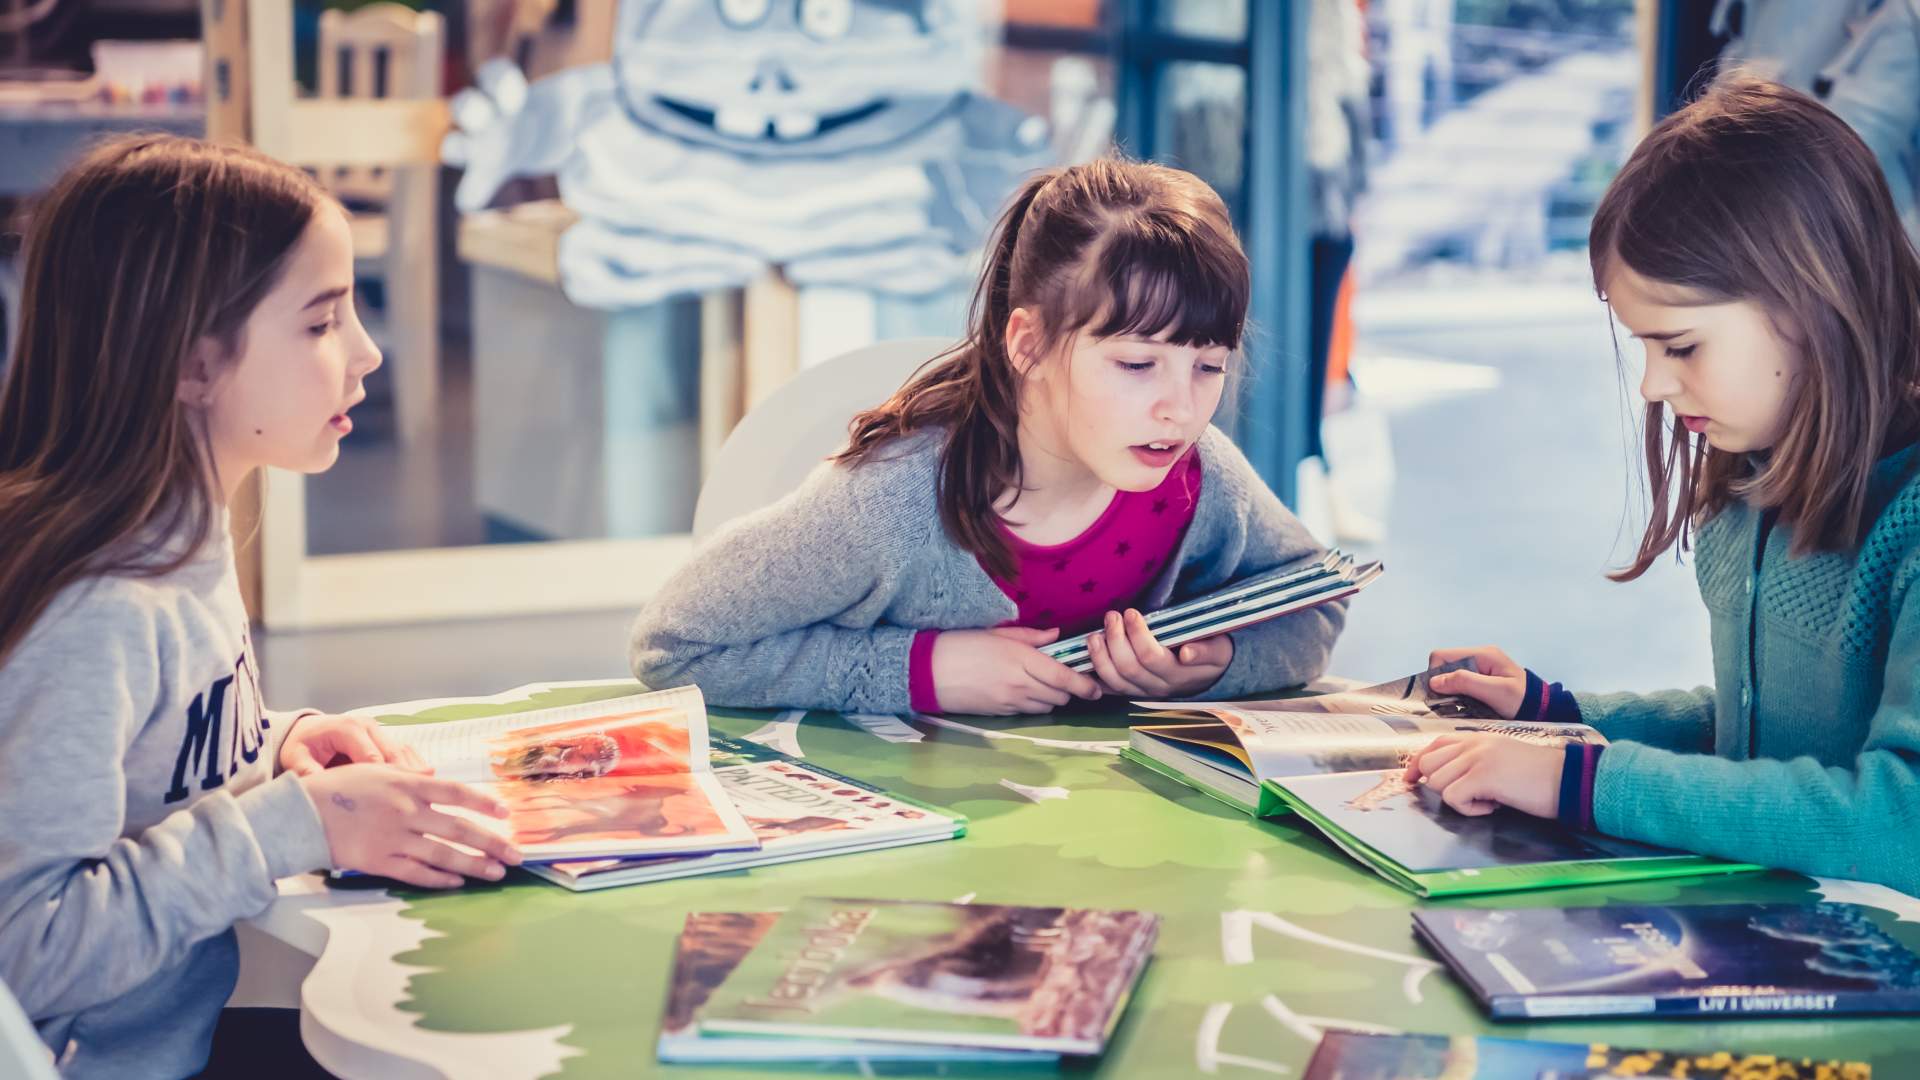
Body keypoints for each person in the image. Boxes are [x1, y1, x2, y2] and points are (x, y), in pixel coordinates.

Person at [0, 135, 521, 1079]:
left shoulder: (179, 530)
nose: (367, 354)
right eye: (321, 323)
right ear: (192, 365)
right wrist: (294, 824)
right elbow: (28, 952)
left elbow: (154, 766)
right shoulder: (97, 608)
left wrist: (281, 742)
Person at [1404, 79, 1920, 896]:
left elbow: (1902, 820)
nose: (1651, 384)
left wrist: (1585, 782)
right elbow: (1762, 740)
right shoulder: (1755, 472)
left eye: (1680, 346)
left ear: (1811, 300)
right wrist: (1560, 716)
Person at [630, 158, 1345, 715]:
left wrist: (1218, 661)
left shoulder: (1200, 477)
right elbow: (676, 645)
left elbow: (1317, 600)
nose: (1180, 409)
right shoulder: (892, 504)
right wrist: (926, 671)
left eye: (1208, 367)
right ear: (1028, 345)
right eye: (1136, 364)